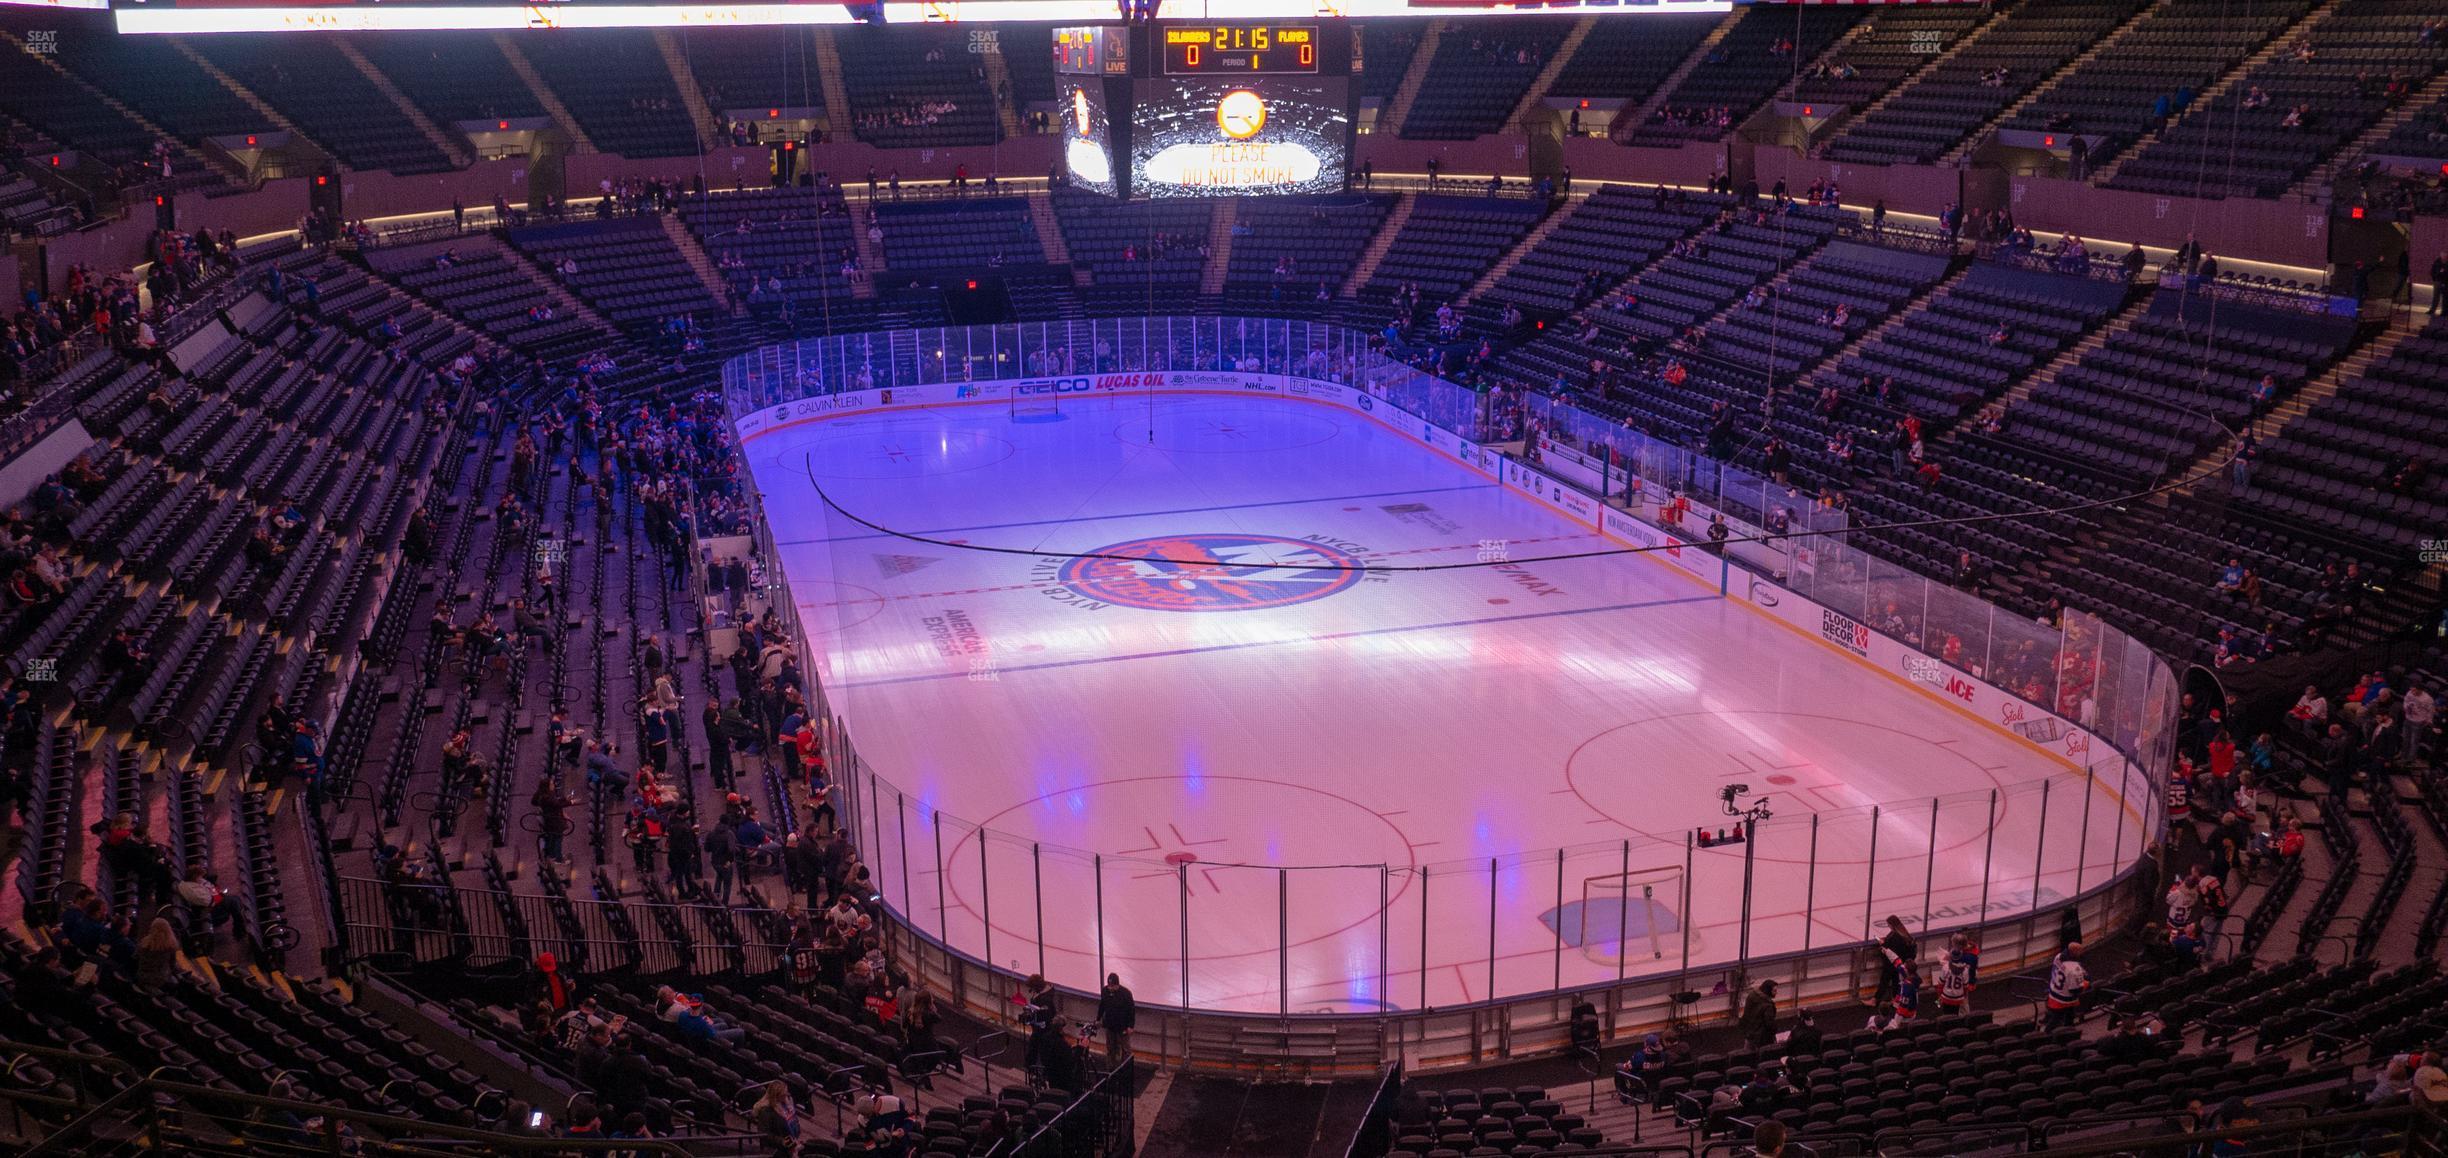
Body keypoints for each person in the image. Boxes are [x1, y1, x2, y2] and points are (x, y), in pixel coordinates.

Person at [2044, 941, 2089, 1028]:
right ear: (2076, 953)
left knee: (2057, 1017)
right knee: (2059, 1019)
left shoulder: (2058, 957)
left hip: (2053, 991)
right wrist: (2085, 983)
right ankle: (2049, 1033)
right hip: (2064, 999)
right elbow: (2075, 990)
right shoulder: (2074, 970)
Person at [751, 1080, 801, 1154]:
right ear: (776, 1096)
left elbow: (793, 1120)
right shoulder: (766, 1111)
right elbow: (764, 1133)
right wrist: (781, 1141)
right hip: (777, 1147)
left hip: (792, 1142)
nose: (786, 1095)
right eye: (783, 1095)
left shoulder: (787, 1104)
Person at [1096, 973, 1136, 1063]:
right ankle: (1111, 1068)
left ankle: (1126, 1069)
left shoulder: (1126, 994)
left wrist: (1131, 1026)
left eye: (1113, 986)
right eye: (1109, 986)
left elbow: (1131, 1010)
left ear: (1117, 984)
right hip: (1110, 1026)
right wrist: (1098, 1019)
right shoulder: (1105, 991)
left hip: (1123, 1027)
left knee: (1125, 1050)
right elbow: (1102, 1006)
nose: (1110, 988)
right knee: (1111, 1048)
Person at [1738, 978, 1778, 1048]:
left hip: (1749, 1030)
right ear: (1769, 991)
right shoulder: (1768, 1006)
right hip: (1760, 1037)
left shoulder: (1752, 995)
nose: (1776, 993)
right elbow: (1769, 1023)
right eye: (1774, 991)